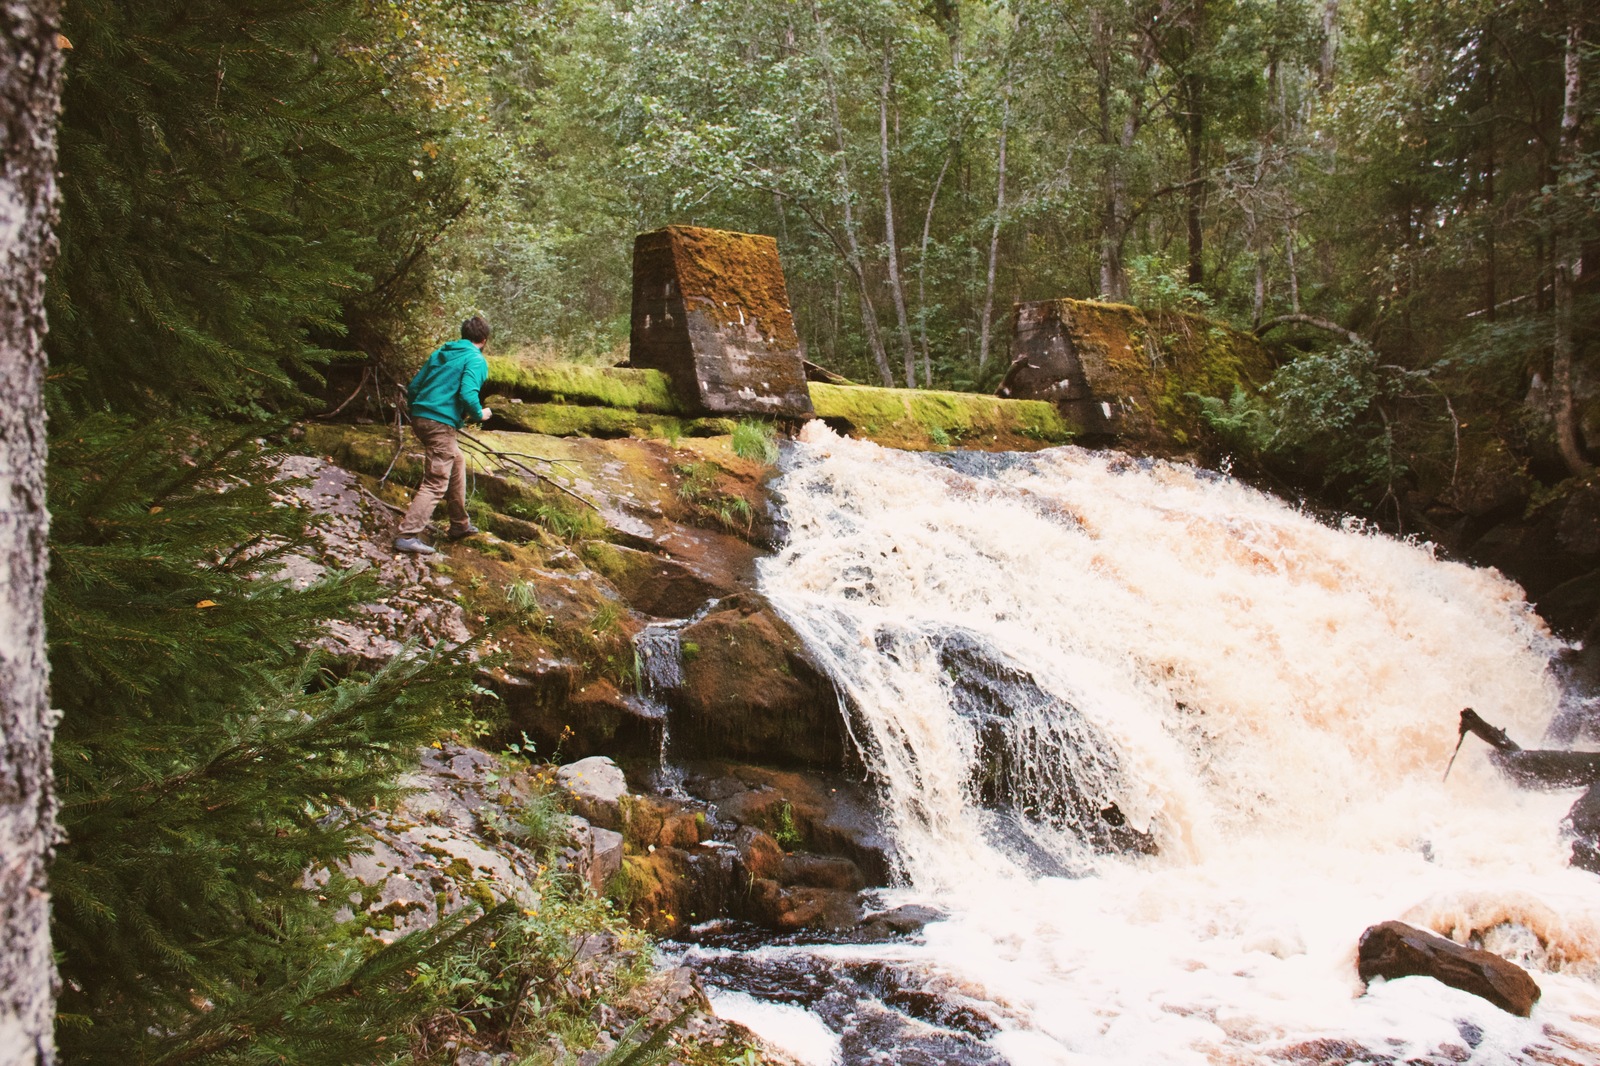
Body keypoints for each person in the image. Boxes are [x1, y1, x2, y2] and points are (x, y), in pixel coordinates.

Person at [393, 316, 493, 555]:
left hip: (421, 417)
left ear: (463, 335)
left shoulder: (442, 352)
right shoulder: (475, 359)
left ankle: (459, 525)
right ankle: (407, 535)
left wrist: (421, 411)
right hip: (439, 423)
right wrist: (480, 414)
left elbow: (415, 386)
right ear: (484, 340)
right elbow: (468, 394)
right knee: (436, 482)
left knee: (456, 460)